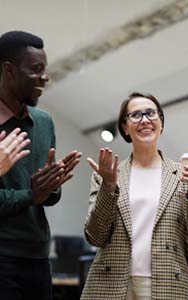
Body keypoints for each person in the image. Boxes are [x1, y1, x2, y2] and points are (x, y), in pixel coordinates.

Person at [81, 92, 188, 300]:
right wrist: (109, 187)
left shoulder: (183, 175)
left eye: (151, 113)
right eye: (136, 115)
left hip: (167, 283)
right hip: (111, 284)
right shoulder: (108, 174)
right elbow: (95, 236)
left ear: (161, 123)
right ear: (124, 127)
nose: (145, 120)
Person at [0, 31, 82, 300]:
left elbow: (45, 197)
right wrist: (31, 194)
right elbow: (30, 195)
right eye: (35, 70)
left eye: (44, 70)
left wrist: (51, 185)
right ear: (9, 71)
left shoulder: (44, 121)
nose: (44, 77)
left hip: (38, 257)